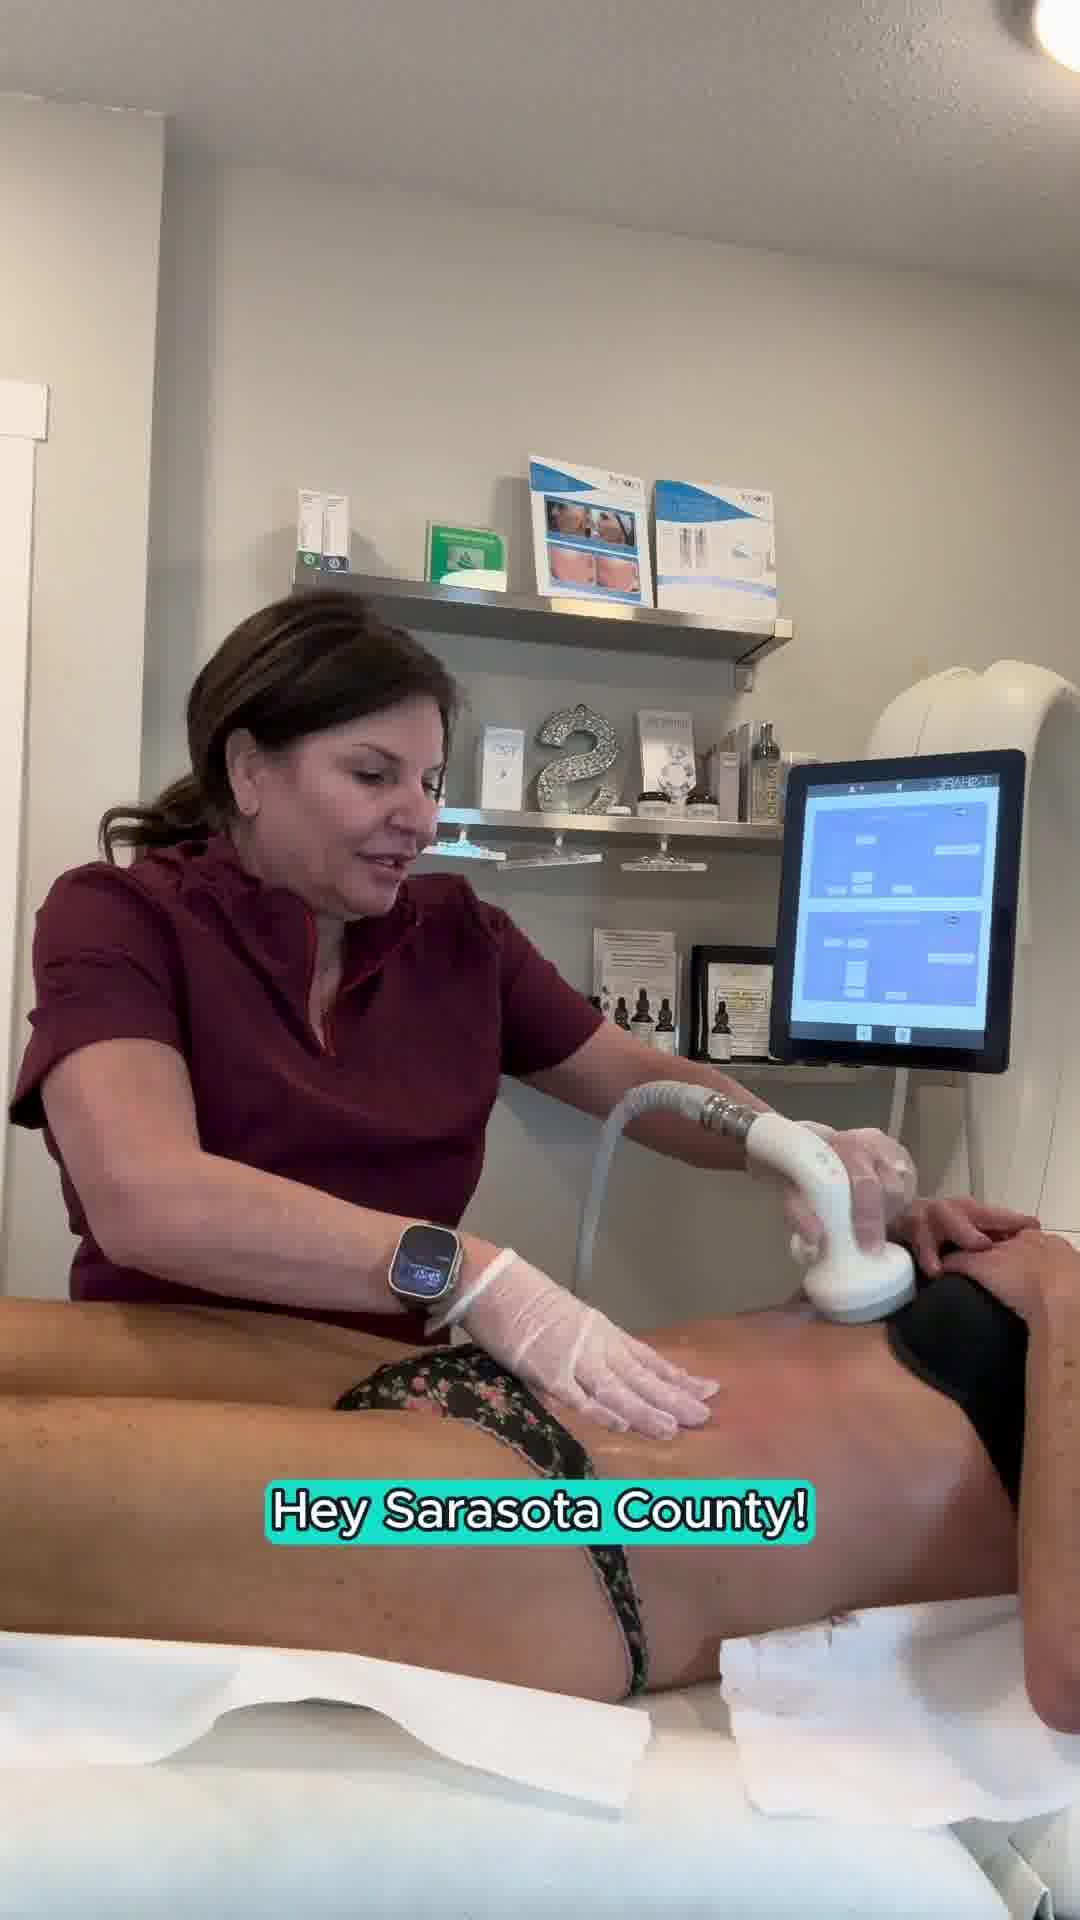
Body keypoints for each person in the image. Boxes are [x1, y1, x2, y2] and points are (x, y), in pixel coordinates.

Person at [8, 589, 920, 1443]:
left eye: (431, 781)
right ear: (249, 770)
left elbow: (642, 1084)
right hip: (168, 1403)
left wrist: (801, 1152)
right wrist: (467, 1274)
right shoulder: (118, 918)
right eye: (374, 775)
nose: (421, 819)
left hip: (381, 1406)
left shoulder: (460, 938)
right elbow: (147, 1200)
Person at [7, 1195, 1076, 1732]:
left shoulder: (1066, 1294)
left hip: (581, 1526)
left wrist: (1060, 1298)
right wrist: (906, 1242)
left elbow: (1067, 1676)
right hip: (505, 1382)